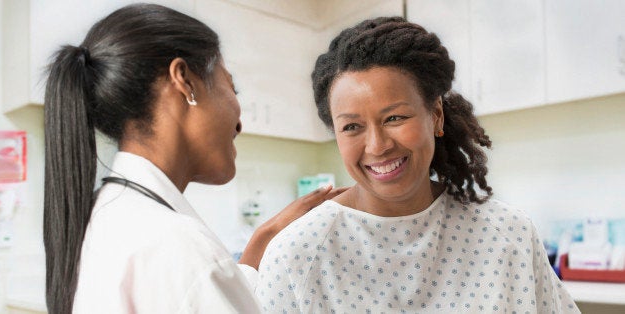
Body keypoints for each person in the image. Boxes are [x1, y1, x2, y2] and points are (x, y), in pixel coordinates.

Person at [256, 17, 580, 313]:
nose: (377, 145)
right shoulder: (295, 255)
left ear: (435, 114)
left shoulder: (509, 234)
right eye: (352, 127)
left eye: (394, 117)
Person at [42, 4, 344, 314]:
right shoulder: (177, 247)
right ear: (184, 81)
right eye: (231, 86)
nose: (240, 122)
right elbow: (194, 282)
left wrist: (262, 241)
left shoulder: (109, 216)